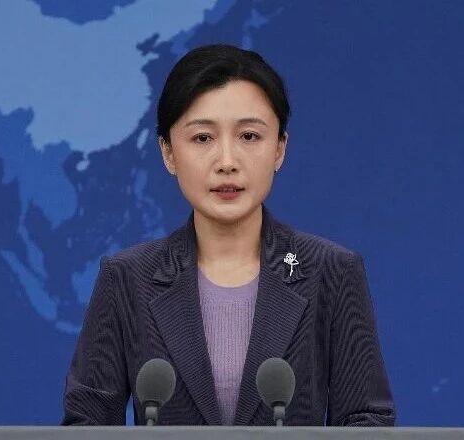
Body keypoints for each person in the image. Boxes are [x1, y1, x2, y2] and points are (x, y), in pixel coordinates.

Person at [62, 44, 394, 426]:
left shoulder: (331, 272)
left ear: (279, 149)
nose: (227, 162)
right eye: (203, 138)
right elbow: (86, 426)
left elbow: (367, 422)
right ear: (168, 152)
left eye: (249, 136)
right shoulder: (127, 278)